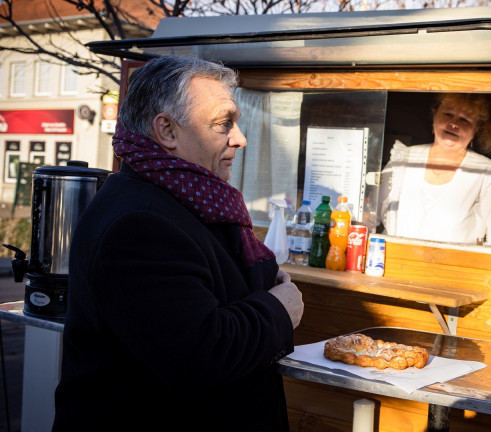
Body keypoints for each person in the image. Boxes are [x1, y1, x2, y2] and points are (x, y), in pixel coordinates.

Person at [53, 55, 304, 431]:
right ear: (167, 131)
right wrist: (278, 310)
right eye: (223, 124)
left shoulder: (193, 200)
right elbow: (199, 355)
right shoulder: (138, 224)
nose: (241, 138)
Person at [377, 93, 491, 245]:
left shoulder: (487, 176)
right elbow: (370, 216)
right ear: (435, 116)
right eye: (448, 114)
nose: (454, 124)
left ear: (477, 129)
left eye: (464, 119)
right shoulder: (402, 159)